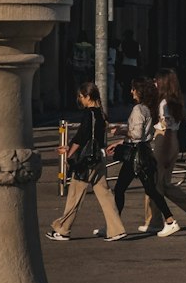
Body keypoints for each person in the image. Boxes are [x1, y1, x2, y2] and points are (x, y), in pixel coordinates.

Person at [45, 82, 126, 242]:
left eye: (81, 97)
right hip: (98, 158)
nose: (80, 100)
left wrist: (69, 153)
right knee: (105, 194)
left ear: (88, 97)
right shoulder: (102, 114)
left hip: (86, 161)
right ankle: (116, 229)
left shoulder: (89, 114)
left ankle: (63, 230)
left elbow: (82, 136)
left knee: (75, 195)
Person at [108, 76, 181, 237]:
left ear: (139, 91)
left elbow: (136, 134)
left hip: (136, 155)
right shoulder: (148, 109)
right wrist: (121, 141)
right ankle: (114, 225)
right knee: (147, 189)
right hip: (143, 153)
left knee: (126, 189)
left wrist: (120, 131)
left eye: (133, 89)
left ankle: (115, 226)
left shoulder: (138, 109)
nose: (131, 91)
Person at [140, 69, 186, 233]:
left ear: (163, 83)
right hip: (171, 142)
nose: (154, 84)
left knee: (154, 183)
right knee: (162, 184)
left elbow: (167, 129)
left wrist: (167, 153)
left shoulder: (165, 104)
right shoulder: (174, 101)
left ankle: (162, 221)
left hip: (165, 142)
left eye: (157, 81)